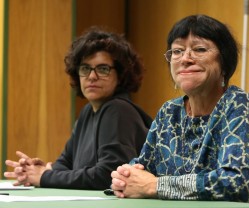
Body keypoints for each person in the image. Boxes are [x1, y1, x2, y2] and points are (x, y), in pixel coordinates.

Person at [111, 14, 249, 203]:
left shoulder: (237, 105)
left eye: (200, 49)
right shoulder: (169, 112)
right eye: (177, 51)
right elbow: (142, 169)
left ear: (224, 63)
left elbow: (234, 184)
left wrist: (155, 185)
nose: (185, 59)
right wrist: (124, 178)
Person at [4, 28, 152, 190]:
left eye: (103, 69)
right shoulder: (88, 111)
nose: (92, 76)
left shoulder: (117, 110)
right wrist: (37, 170)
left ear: (121, 74)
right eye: (85, 68)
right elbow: (66, 163)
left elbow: (108, 174)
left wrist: (45, 176)